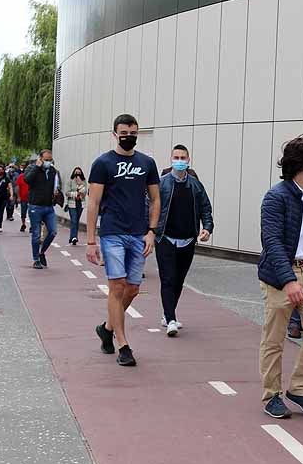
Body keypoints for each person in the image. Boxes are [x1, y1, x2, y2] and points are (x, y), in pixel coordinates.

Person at [256, 136, 303, 418]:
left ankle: (300, 388)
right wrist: (288, 281)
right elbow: (272, 241)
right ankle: (271, 394)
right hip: (279, 274)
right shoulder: (276, 197)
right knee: (274, 337)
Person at [85, 113, 160, 367]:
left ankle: (106, 328)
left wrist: (151, 231)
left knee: (133, 289)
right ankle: (123, 344)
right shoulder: (102, 163)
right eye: (124, 133)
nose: (129, 138)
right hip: (112, 233)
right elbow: (93, 202)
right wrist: (91, 240)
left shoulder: (147, 163)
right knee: (116, 287)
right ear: (115, 133)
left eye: (133, 133)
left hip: (138, 234)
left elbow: (156, 199)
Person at [155, 144, 213, 336]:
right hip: (165, 239)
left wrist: (207, 228)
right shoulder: (162, 183)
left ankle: (167, 313)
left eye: (183, 158)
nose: (179, 161)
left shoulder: (195, 185)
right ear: (171, 159)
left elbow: (206, 207)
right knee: (168, 278)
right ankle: (171, 319)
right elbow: (150, 206)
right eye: (176, 157)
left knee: (179, 280)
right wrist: (149, 231)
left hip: (187, 240)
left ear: (189, 161)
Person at [24, 150, 61, 269]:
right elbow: (27, 180)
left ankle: (41, 252)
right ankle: (36, 259)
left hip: (48, 206)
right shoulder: (31, 168)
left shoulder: (53, 171)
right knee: (36, 234)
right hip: (35, 206)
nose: (48, 162)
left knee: (53, 231)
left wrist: (56, 193)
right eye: (46, 160)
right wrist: (36, 167)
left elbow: (55, 184)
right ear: (40, 158)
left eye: (50, 160)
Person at [66, 167, 87, 245]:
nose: (77, 174)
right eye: (76, 172)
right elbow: (67, 192)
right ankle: (74, 237)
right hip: (72, 203)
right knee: (74, 220)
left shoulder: (84, 182)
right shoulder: (70, 181)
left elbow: (84, 192)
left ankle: (73, 237)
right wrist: (76, 194)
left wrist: (80, 185)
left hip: (80, 203)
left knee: (76, 221)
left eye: (79, 172)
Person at [16, 162, 30, 232]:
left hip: (32, 198)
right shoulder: (21, 176)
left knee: (32, 212)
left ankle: (32, 226)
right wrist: (18, 197)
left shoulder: (33, 177)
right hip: (23, 197)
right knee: (23, 212)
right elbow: (18, 187)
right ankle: (23, 224)